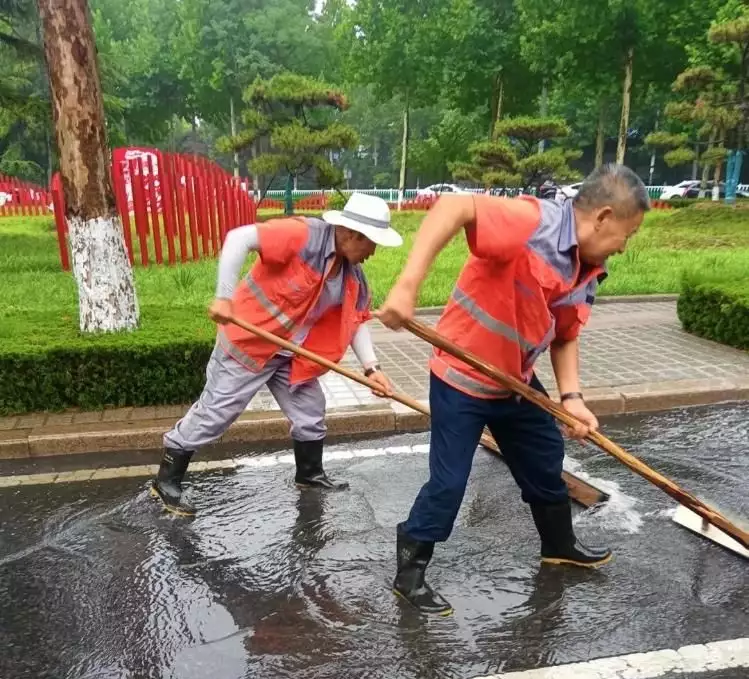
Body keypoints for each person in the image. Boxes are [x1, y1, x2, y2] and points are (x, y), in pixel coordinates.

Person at [378, 164, 649, 615]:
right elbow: (454, 205)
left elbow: (564, 334)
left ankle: (559, 544)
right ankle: (410, 571)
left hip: (516, 382)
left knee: (546, 460)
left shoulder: (587, 267)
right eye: (628, 233)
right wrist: (407, 288)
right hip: (461, 379)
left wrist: (572, 400)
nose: (625, 246)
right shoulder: (533, 224)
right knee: (448, 485)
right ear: (603, 217)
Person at [151, 193, 402, 517]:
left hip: (290, 355)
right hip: (249, 345)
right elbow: (237, 238)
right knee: (215, 415)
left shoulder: (350, 274)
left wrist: (372, 369)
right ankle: (166, 481)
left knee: (311, 411)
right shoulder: (303, 235)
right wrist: (224, 298)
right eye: (372, 244)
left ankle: (309, 475)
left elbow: (354, 320)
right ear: (354, 235)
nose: (373, 252)